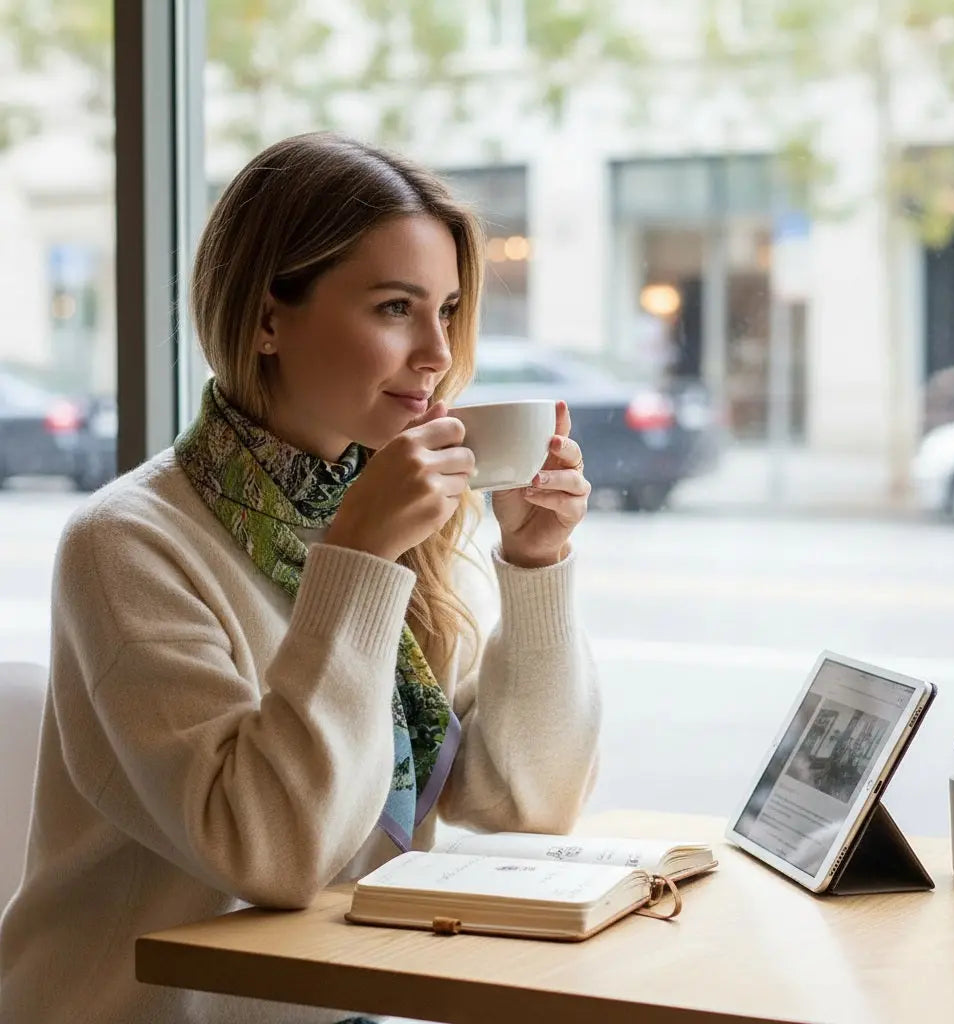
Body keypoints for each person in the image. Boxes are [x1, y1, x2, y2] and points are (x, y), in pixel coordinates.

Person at [0, 132, 600, 1024]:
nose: (437, 353)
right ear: (266, 319)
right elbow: (274, 851)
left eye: (448, 309)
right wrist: (356, 562)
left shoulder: (383, 511)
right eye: (396, 307)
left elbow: (527, 802)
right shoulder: (127, 544)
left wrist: (534, 564)